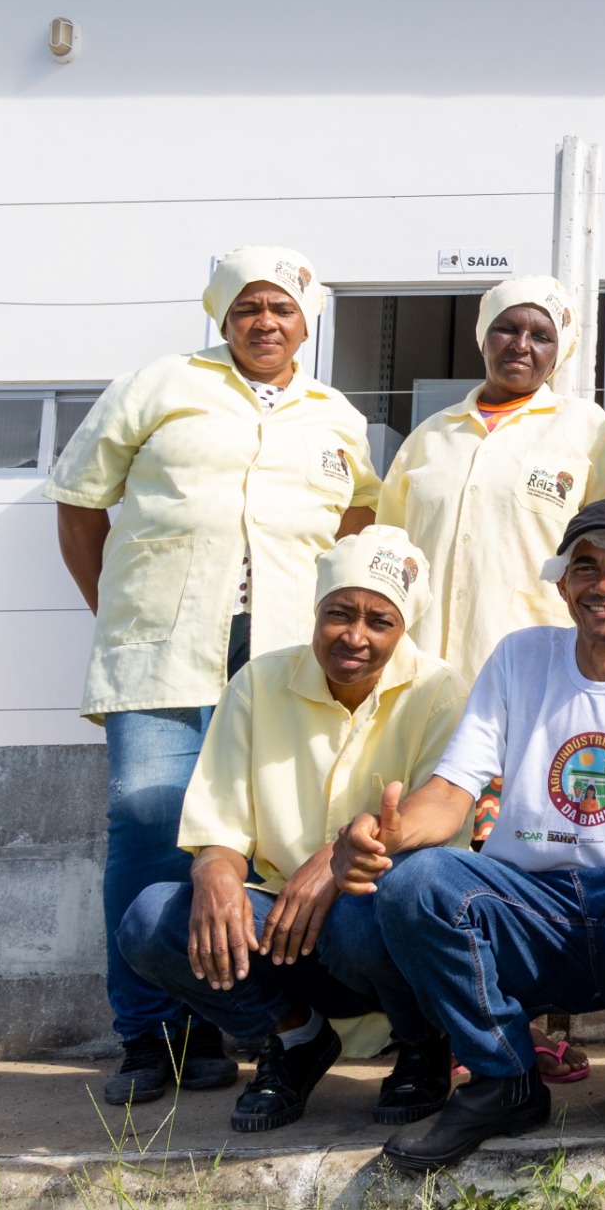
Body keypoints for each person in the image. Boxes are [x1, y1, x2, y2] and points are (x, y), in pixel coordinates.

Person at [47, 246, 379, 1105]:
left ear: (306, 322)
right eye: (247, 308)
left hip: (280, 657)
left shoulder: (335, 416)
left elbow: (357, 525)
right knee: (152, 821)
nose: (265, 322)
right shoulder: (160, 386)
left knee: (266, 833)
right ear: (222, 316)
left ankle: (247, 1017)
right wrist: (115, 610)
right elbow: (80, 503)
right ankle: (152, 1034)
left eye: (281, 309)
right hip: (161, 646)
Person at [335, 499, 605, 1170]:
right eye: (585, 567)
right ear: (563, 585)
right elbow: (450, 793)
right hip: (527, 904)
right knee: (414, 883)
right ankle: (504, 1077)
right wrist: (386, 835)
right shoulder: (521, 657)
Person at [114, 527, 465, 1133]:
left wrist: (339, 859)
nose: (355, 636)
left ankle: (422, 1043)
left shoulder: (438, 690)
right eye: (340, 613)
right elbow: (220, 826)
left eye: (380, 621)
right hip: (283, 928)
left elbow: (441, 812)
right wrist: (215, 872)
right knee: (151, 921)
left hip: (383, 937)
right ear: (317, 610)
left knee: (364, 911)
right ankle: (295, 1036)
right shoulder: (258, 683)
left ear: (403, 627)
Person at [378, 274, 605, 679]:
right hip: (420, 664)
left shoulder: (586, 428)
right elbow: (387, 544)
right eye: (506, 329)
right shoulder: (429, 435)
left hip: (535, 662)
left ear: (557, 355)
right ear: (483, 338)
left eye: (541, 336)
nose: (521, 345)